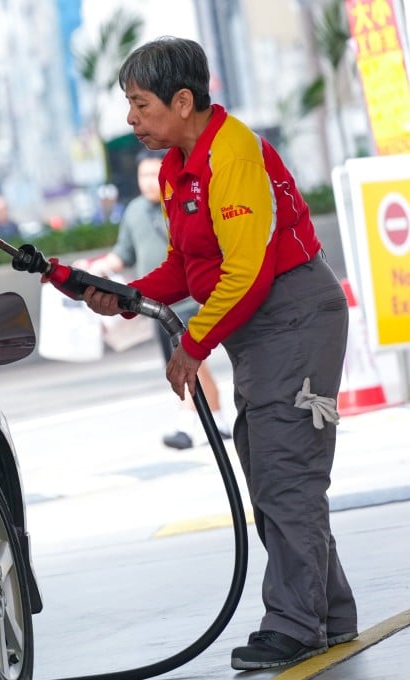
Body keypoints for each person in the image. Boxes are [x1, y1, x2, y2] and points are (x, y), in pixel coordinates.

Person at [80, 36, 357, 671]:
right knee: (273, 472)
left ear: (183, 101)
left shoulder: (232, 154)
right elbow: (186, 266)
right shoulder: (181, 165)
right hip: (262, 328)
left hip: (293, 314)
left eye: (140, 105)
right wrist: (121, 294)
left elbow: (249, 271)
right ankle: (330, 612)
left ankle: (294, 624)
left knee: (287, 477)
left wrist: (192, 344)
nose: (131, 120)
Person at [75, 149, 231, 449]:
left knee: (186, 361)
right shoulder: (133, 212)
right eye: (143, 175)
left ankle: (186, 426)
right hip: (156, 306)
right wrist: (95, 269)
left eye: (153, 175)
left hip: (190, 302)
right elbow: (123, 254)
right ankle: (220, 421)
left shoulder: (182, 204)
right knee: (189, 365)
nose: (148, 182)